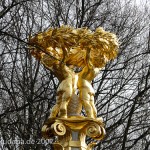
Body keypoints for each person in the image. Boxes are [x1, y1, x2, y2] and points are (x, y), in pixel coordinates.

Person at [41, 53, 76, 118]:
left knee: (57, 104)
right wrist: (64, 50)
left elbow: (47, 66)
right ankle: (63, 117)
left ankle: (52, 116)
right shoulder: (67, 70)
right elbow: (64, 59)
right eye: (72, 65)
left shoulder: (57, 70)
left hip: (60, 86)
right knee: (64, 102)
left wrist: (42, 59)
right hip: (67, 86)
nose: (73, 67)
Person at [77, 48, 100, 118]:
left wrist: (88, 50)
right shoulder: (96, 70)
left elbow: (87, 60)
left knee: (86, 102)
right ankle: (94, 117)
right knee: (92, 104)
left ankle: (90, 117)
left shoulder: (89, 68)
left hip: (84, 88)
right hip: (90, 88)